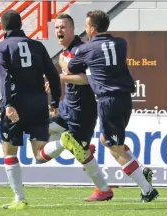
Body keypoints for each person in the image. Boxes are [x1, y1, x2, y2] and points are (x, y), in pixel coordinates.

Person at [59, 10, 158, 202]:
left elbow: (71, 68)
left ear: (93, 28)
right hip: (125, 99)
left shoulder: (87, 49)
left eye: (87, 26)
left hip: (108, 100)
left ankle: (147, 190)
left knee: (114, 148)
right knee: (106, 140)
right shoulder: (121, 43)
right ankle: (141, 169)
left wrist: (62, 61)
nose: (86, 29)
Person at [36, 14, 114, 202]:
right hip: (66, 109)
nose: (59, 31)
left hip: (82, 112)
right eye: (57, 28)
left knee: (81, 154)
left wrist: (61, 78)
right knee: (39, 145)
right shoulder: (65, 53)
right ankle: (72, 144)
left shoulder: (82, 50)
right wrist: (54, 103)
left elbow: (88, 79)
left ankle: (103, 189)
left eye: (63, 27)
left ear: (72, 30)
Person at [0, 10, 61, 209]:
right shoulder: (37, 46)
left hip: (17, 105)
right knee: (40, 154)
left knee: (9, 151)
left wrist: (7, 105)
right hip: (39, 103)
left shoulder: (1, 48)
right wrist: (54, 101)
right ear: (21, 25)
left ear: (2, 27)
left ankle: (19, 199)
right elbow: (53, 75)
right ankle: (65, 143)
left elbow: (3, 78)